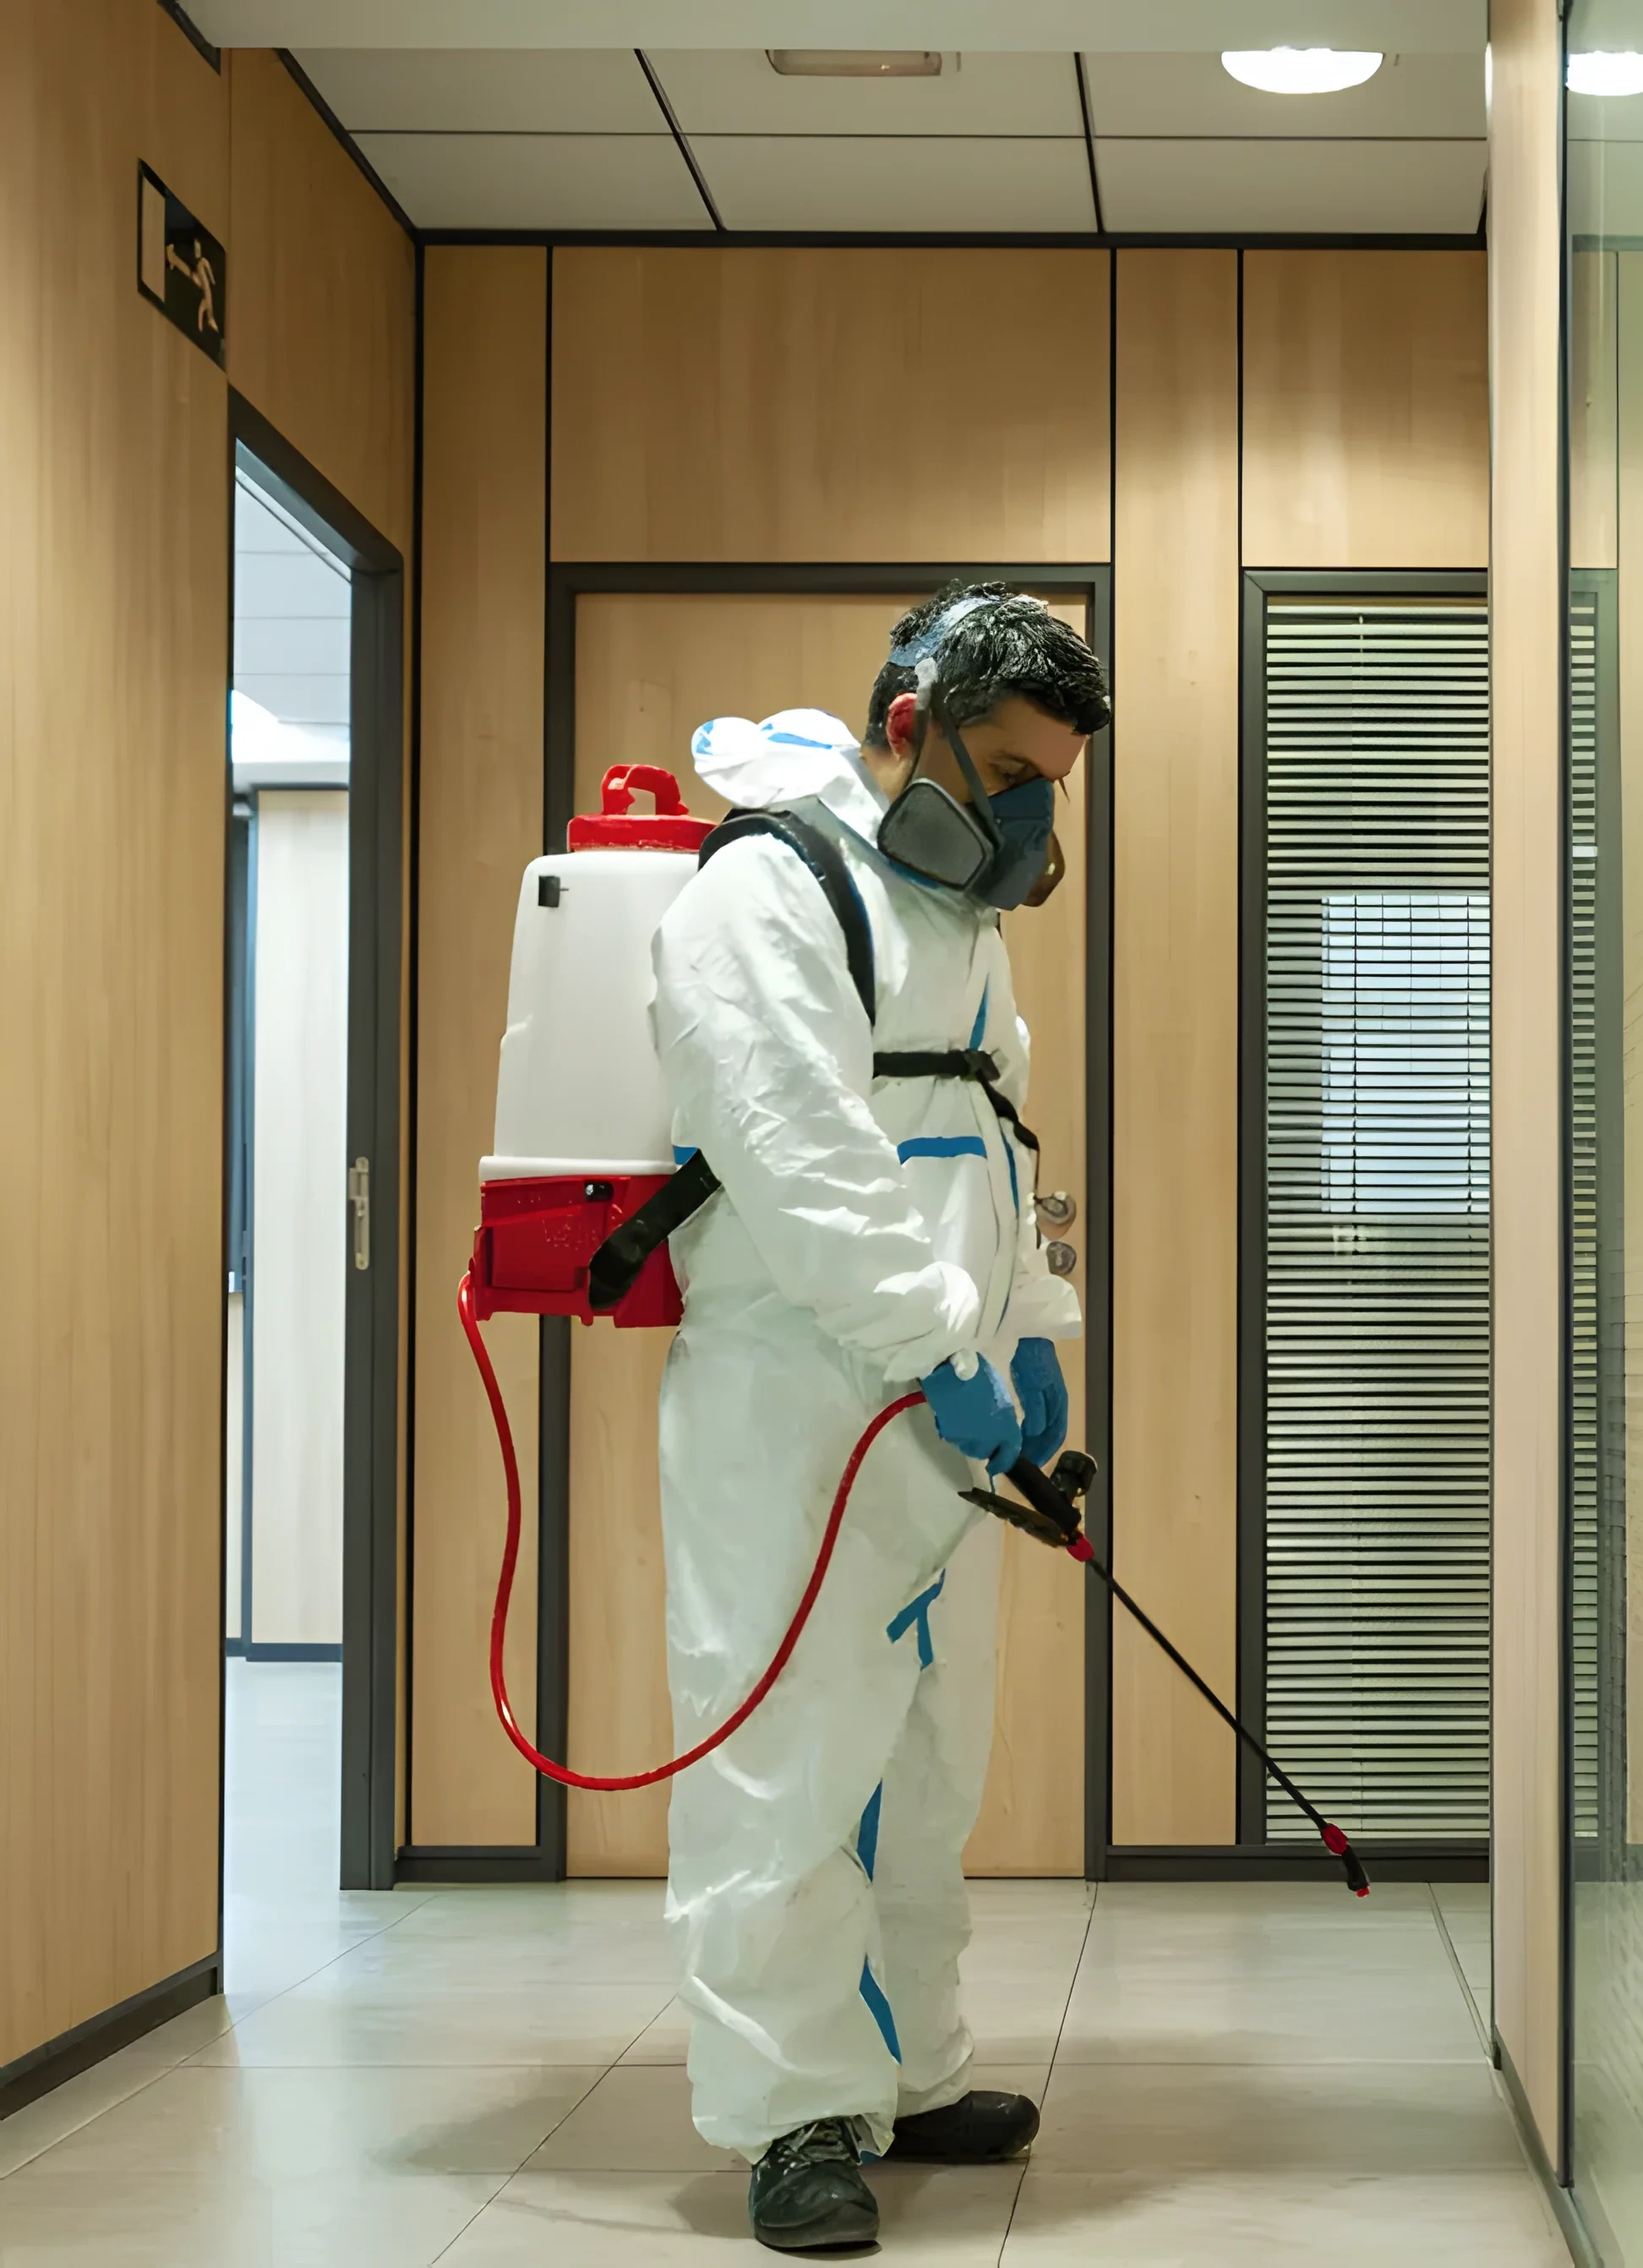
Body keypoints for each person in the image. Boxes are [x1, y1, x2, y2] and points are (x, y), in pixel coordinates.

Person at [648, 586, 1105, 2252]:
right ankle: (790, 2117)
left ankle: (905, 2070)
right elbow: (803, 1163)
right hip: (798, 1413)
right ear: (905, 728)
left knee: (925, 1762)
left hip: (942, 1423)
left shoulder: (968, 941)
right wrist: (936, 1341)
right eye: (1007, 770)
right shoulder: (768, 892)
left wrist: (1039, 1325)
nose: (1031, 815)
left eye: (1053, 780)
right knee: (788, 1769)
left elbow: (1007, 1157)